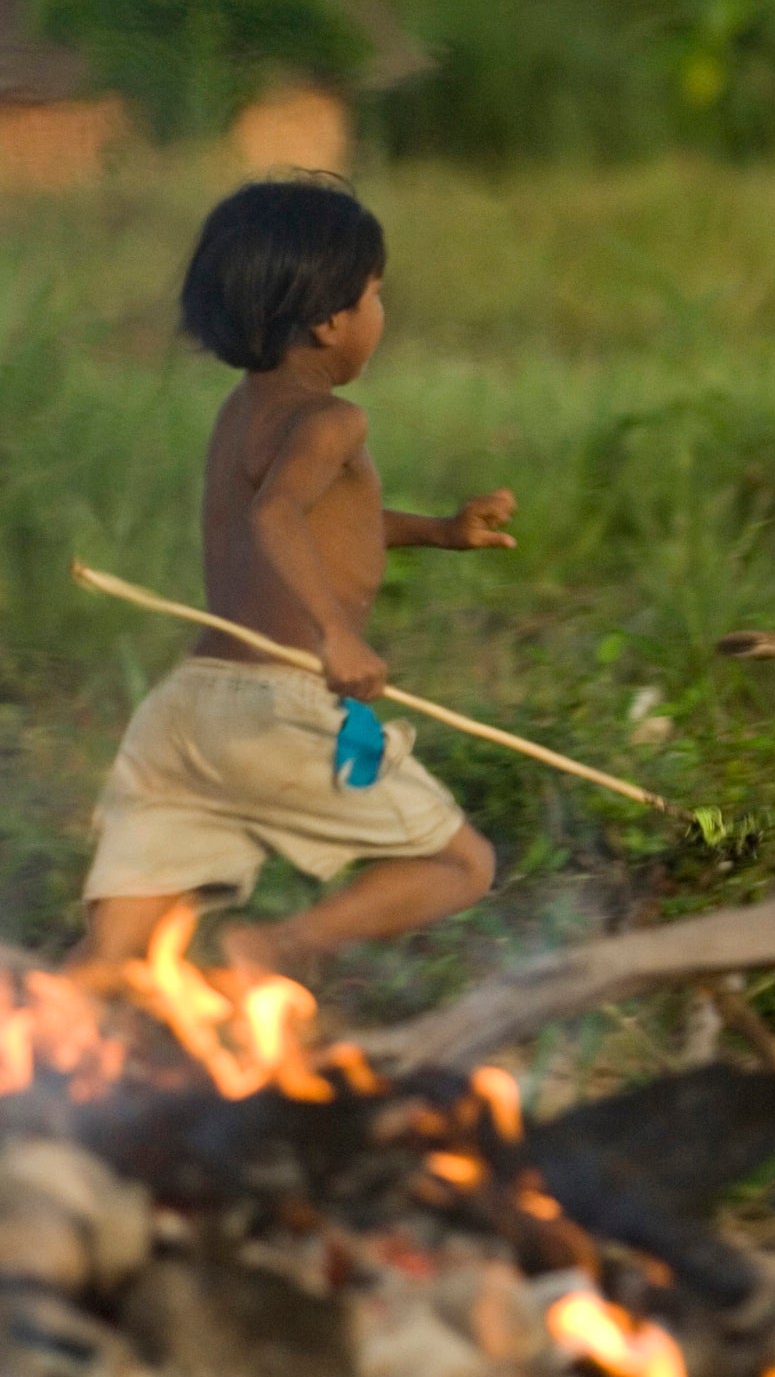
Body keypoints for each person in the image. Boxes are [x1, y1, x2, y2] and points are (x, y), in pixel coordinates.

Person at [80, 178, 514, 976]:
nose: (381, 314)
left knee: (107, 961)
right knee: (463, 867)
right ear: (328, 320)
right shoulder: (333, 420)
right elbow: (276, 519)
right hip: (276, 713)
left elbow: (319, 530)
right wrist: (336, 635)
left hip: (186, 710)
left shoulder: (240, 412)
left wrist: (444, 533)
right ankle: (273, 950)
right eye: (375, 295)